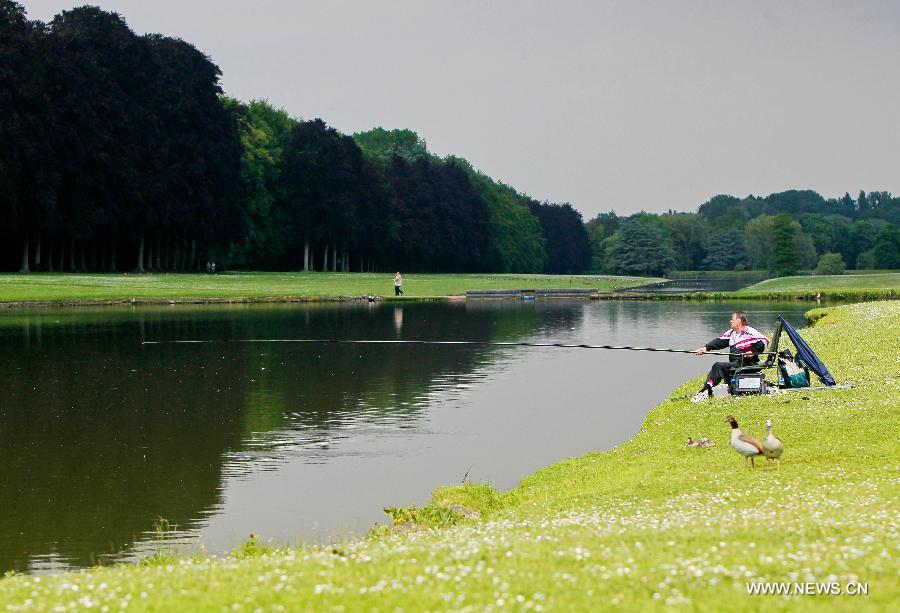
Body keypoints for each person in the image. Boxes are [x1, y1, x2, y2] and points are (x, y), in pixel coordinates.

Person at [690, 311, 769, 403]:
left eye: (733, 319)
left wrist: (753, 352)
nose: (730, 321)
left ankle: (705, 391)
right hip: (736, 363)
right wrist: (705, 348)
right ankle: (709, 390)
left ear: (739, 321)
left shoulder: (749, 331)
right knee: (718, 368)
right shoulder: (732, 333)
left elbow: (764, 340)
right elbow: (719, 342)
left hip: (747, 363)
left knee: (718, 366)